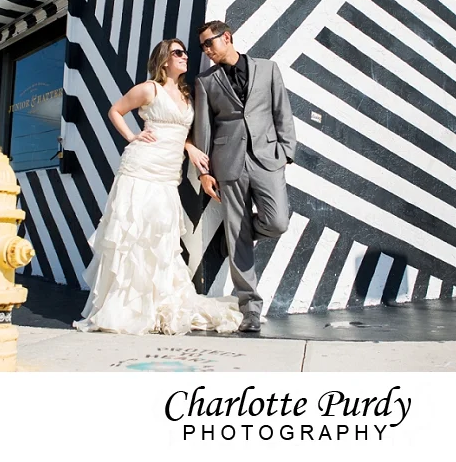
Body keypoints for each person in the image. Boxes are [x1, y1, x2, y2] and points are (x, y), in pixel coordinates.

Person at [73, 38, 242, 335]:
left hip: (167, 173)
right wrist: (131, 136)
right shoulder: (149, 89)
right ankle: (127, 306)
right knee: (134, 233)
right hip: (140, 168)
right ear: (164, 59)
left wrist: (190, 147)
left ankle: (157, 300)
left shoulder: (187, 94)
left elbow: (181, 131)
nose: (185, 56)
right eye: (178, 53)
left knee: (161, 237)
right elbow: (115, 110)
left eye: (185, 52)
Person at [193, 21, 297, 333]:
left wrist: (286, 152)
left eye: (209, 43)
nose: (206, 51)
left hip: (267, 158)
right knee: (237, 231)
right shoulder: (205, 81)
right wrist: (204, 173)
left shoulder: (268, 69)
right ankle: (249, 307)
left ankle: (234, 238)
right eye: (202, 47)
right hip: (228, 162)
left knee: (278, 222)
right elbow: (204, 127)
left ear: (226, 37)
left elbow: (282, 111)